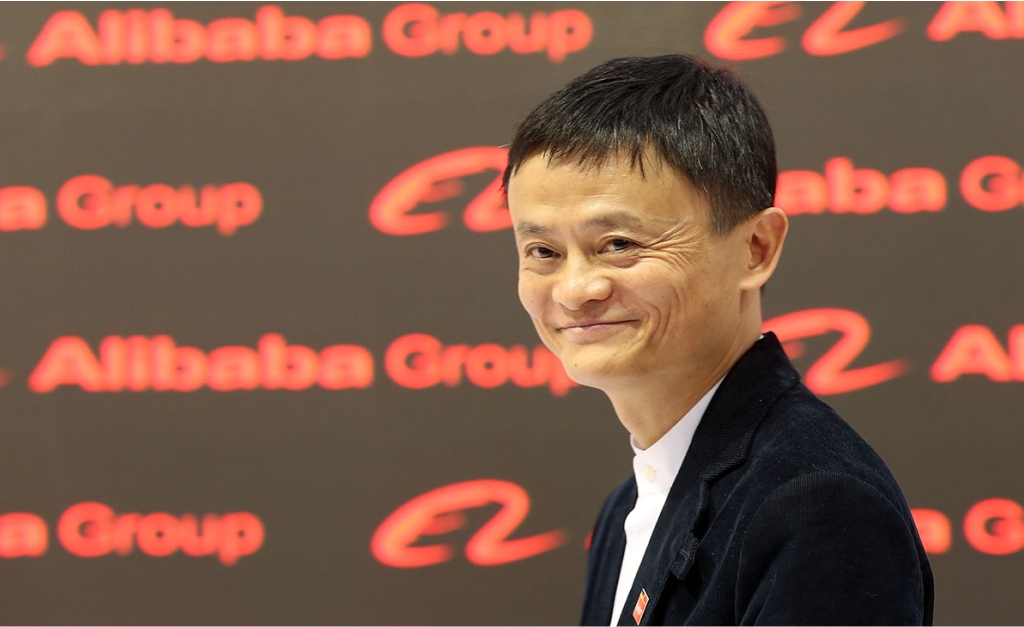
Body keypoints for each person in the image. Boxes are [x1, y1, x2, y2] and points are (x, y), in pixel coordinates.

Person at [501, 55, 934, 626]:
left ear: (756, 248)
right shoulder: (630, 503)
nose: (576, 290)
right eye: (543, 252)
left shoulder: (818, 501)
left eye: (619, 244)